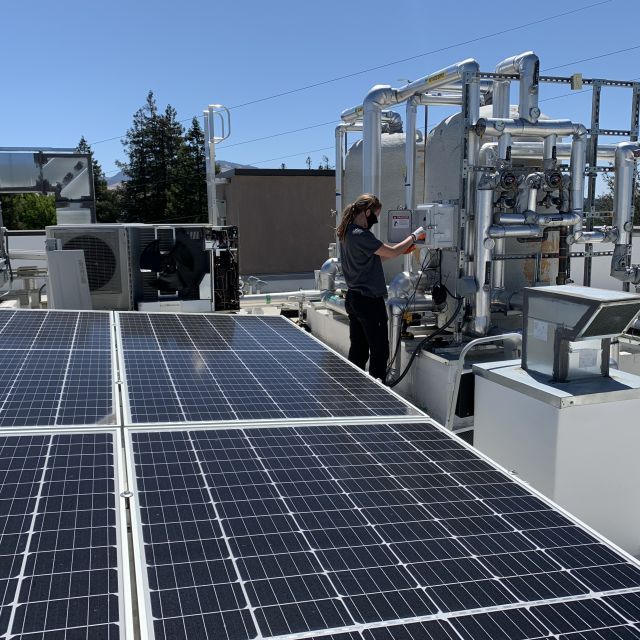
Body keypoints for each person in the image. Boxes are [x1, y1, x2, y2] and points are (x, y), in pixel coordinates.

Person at [337, 193, 425, 383]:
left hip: (354, 298)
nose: (376, 220)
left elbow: (374, 259)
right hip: (369, 301)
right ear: (367, 212)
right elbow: (391, 251)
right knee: (379, 350)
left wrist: (402, 249)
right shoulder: (361, 234)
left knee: (359, 349)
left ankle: (354, 389)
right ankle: (378, 391)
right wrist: (415, 236)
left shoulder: (347, 232)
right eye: (375, 215)